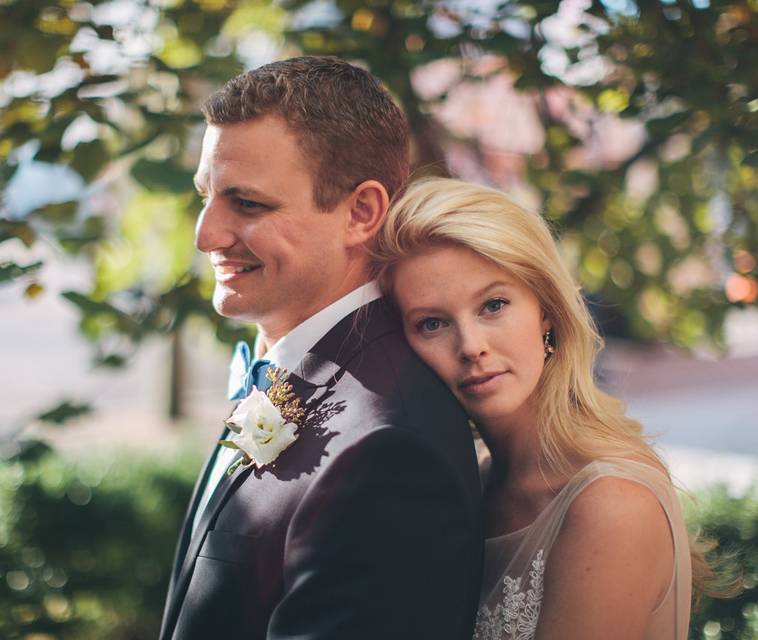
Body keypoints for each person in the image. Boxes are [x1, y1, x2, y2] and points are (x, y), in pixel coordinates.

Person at [158, 58, 484, 640]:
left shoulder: (387, 450)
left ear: (360, 212)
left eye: (248, 204)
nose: (206, 235)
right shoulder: (297, 371)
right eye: (206, 196)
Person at [376, 177, 704, 639]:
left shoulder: (611, 503)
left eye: (493, 305)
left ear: (545, 310)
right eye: (432, 323)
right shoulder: (468, 482)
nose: (471, 347)